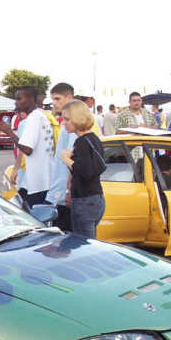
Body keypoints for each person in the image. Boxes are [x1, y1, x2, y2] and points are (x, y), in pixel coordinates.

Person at [47, 83, 101, 230]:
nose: (54, 103)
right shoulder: (88, 136)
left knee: (76, 239)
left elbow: (79, 168)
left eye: (57, 99)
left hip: (76, 196)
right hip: (82, 195)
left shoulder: (79, 137)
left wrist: (68, 191)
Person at [58, 100, 106, 238]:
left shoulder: (82, 141)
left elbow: (85, 172)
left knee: (83, 244)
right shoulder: (94, 139)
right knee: (89, 241)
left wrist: (66, 159)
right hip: (96, 198)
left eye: (67, 119)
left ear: (76, 118)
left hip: (84, 200)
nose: (63, 123)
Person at [10, 86, 53, 207]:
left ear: (30, 99)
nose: (16, 102)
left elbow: (27, 149)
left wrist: (9, 132)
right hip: (45, 180)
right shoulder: (42, 115)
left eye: (19, 99)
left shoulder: (33, 118)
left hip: (36, 184)